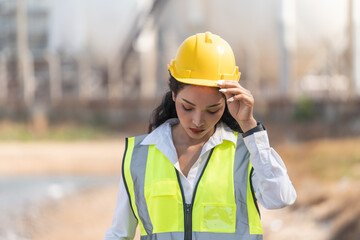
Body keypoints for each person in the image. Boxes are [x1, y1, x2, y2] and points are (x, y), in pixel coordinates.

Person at [104, 32, 296, 240]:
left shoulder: (247, 153)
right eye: (187, 107)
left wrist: (249, 127)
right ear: (174, 94)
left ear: (228, 102)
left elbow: (280, 197)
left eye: (212, 110)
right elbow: (119, 234)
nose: (197, 120)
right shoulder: (139, 156)